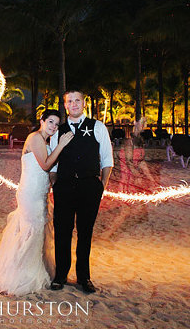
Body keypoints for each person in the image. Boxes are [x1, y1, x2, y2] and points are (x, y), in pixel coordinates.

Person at [0, 110, 74, 296]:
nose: (53, 127)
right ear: (42, 121)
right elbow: (46, 165)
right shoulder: (34, 138)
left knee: (37, 233)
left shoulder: (45, 142)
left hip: (40, 193)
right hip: (30, 193)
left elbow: (50, 171)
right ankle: (21, 276)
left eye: (56, 124)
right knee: (31, 232)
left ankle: (34, 271)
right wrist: (63, 144)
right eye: (50, 122)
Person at [49, 90, 114, 294]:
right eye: (70, 101)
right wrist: (55, 186)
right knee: (62, 232)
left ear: (84, 103)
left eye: (77, 100)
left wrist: (101, 186)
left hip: (89, 187)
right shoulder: (58, 130)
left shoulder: (97, 127)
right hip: (65, 187)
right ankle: (60, 275)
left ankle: (84, 277)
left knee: (85, 233)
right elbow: (52, 163)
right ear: (65, 105)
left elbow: (107, 159)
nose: (74, 104)